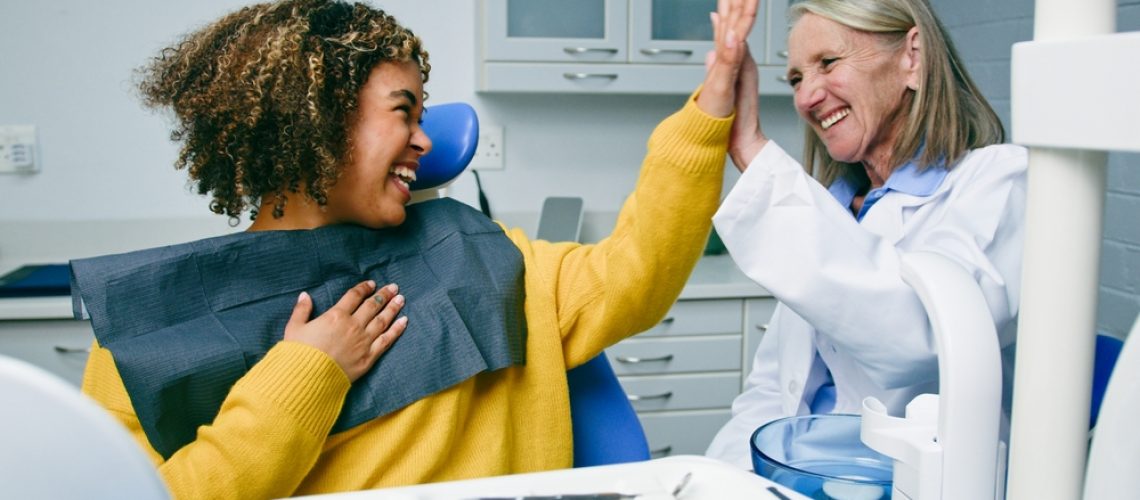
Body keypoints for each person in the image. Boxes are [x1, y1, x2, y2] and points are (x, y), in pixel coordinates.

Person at [72, 0, 760, 497]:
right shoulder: (148, 335)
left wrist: (708, 113)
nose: (425, 141)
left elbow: (634, 275)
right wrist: (305, 376)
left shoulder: (489, 257)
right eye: (404, 112)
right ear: (316, 120)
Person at [704, 0, 1027, 469]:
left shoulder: (999, 181)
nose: (807, 97)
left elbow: (924, 334)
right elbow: (773, 391)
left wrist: (752, 150)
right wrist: (719, 479)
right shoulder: (833, 210)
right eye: (796, 79)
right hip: (796, 476)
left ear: (911, 58)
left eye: (828, 63)